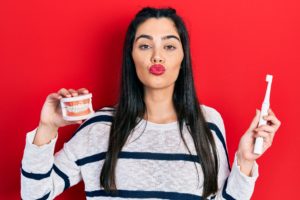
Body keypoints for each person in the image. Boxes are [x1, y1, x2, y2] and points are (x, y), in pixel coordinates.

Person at [21, 7, 281, 200]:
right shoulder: (99, 127)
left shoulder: (208, 124)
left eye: (169, 46)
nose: (157, 56)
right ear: (131, 56)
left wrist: (245, 160)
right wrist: (47, 127)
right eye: (145, 46)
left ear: (183, 58)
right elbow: (34, 194)